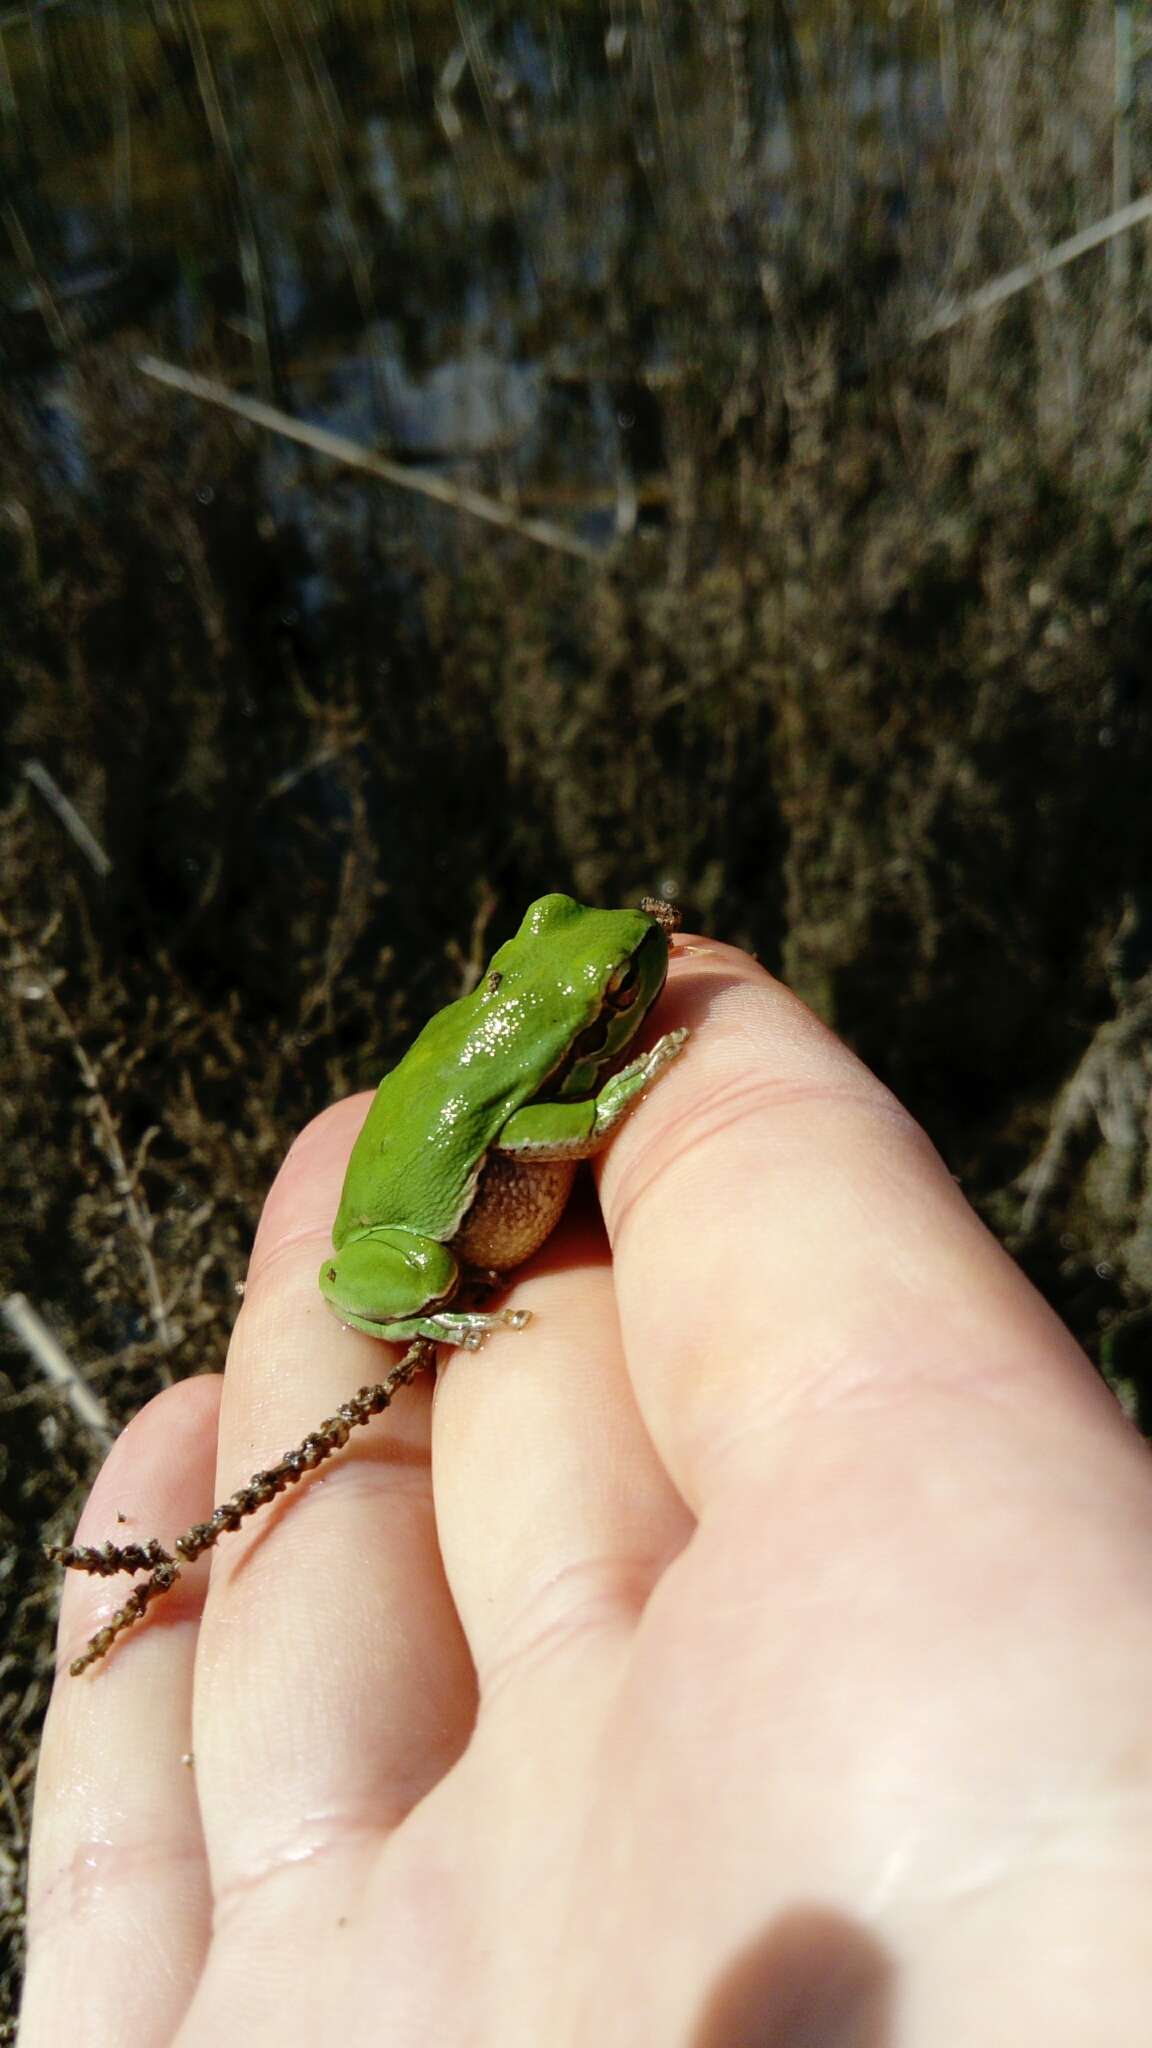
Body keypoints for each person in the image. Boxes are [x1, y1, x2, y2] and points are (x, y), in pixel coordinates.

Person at [20, 934, 1152, 2045]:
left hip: (427, 1161)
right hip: (416, 1239)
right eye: (619, 990)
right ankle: (432, 1295)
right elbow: (539, 1122)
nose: (639, 984)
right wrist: (620, 1085)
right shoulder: (546, 1077)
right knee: (414, 1269)